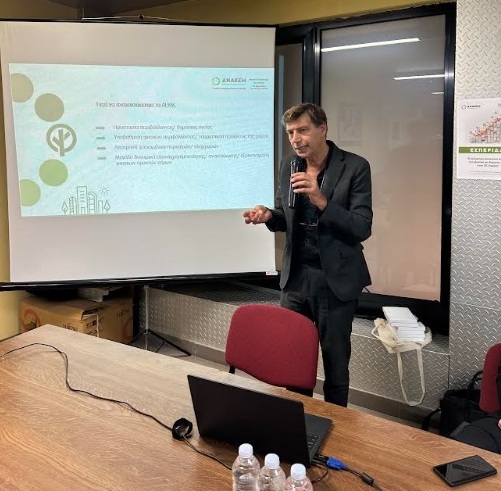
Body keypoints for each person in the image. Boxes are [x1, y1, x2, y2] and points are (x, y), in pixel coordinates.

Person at [243, 103, 372, 406]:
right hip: (296, 278)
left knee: (335, 363)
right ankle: (298, 419)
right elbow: (285, 216)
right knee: (293, 359)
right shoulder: (289, 165)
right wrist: (268, 216)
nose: (296, 139)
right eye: (290, 132)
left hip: (334, 281)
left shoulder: (355, 167)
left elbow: (361, 227)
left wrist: (320, 199)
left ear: (322, 128)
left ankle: (337, 424)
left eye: (302, 130)